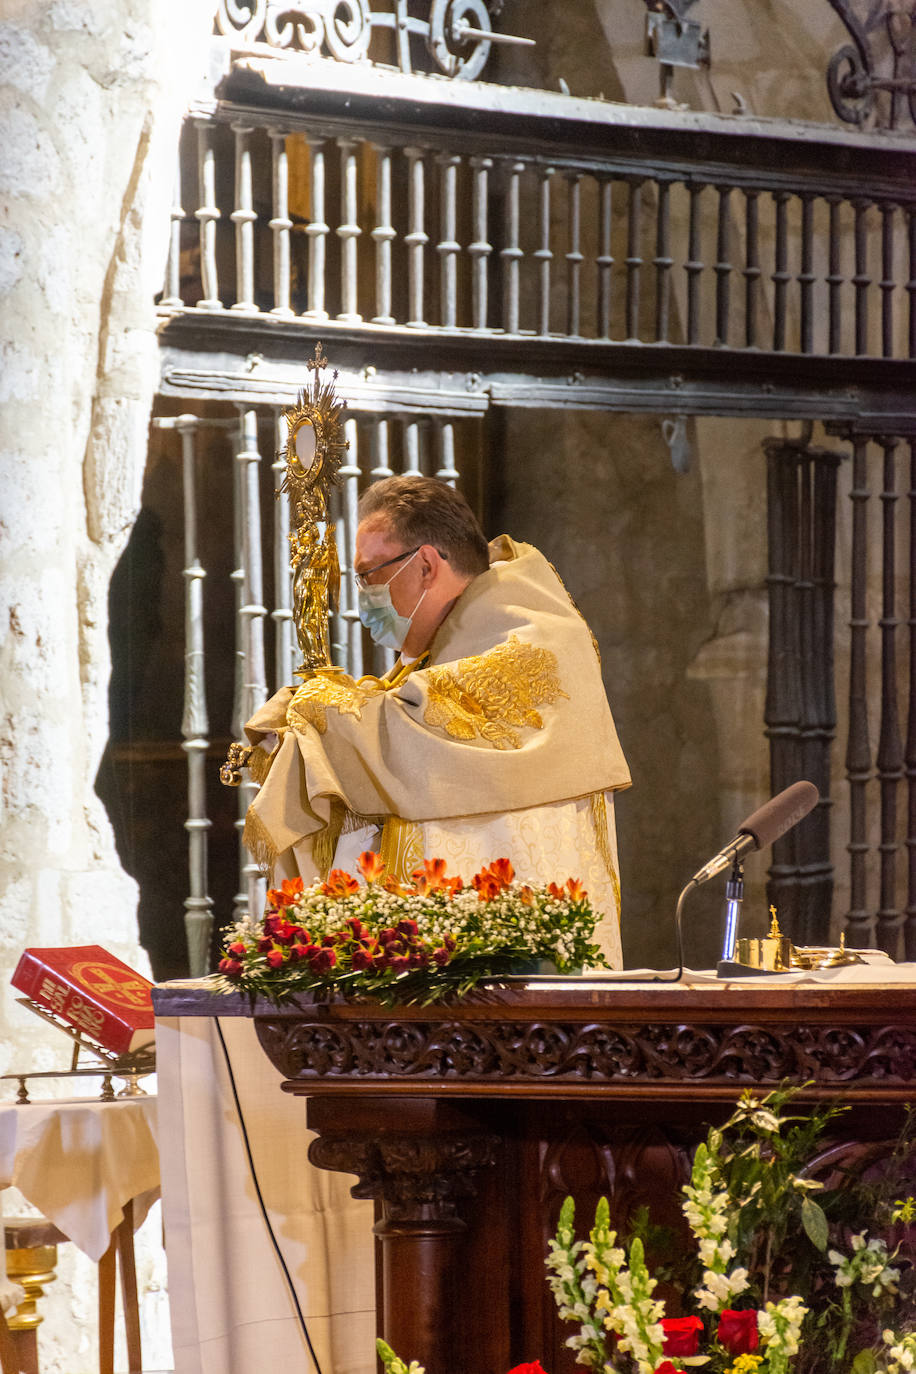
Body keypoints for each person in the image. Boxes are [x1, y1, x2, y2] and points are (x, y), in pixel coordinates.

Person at [243, 475, 631, 965]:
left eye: (368, 576)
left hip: (527, 974)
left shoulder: (535, 635)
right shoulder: (443, 649)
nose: (362, 596)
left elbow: (424, 728)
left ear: (425, 565)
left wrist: (319, 714)